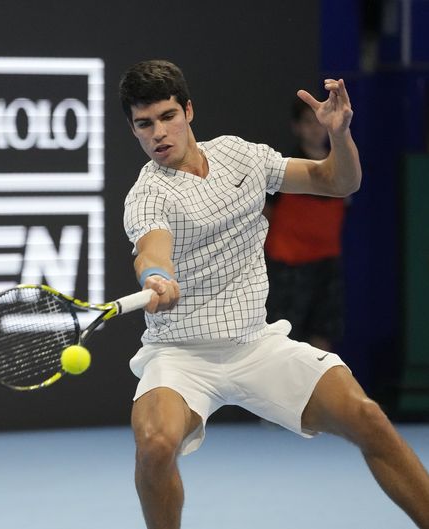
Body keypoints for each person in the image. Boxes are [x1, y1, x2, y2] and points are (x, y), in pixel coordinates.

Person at [119, 59, 429, 529]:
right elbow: (150, 250)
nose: (158, 133)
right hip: (180, 355)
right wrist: (157, 277)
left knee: (367, 417)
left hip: (256, 344)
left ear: (188, 111)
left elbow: (338, 181)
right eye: (145, 124)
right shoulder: (147, 195)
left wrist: (339, 135)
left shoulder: (240, 155)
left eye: (167, 116)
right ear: (134, 130)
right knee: (155, 445)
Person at [263, 97, 347, 352]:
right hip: (287, 267)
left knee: (322, 336)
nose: (315, 129)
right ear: (296, 127)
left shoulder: (343, 168)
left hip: (326, 266)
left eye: (319, 123)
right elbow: (265, 216)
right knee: (283, 340)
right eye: (308, 123)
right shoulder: (282, 168)